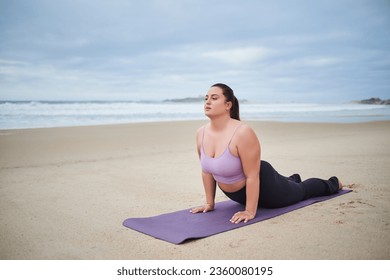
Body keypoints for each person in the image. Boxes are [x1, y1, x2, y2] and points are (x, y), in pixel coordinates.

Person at [190, 83, 342, 224]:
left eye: (214, 98)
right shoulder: (200, 133)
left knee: (302, 191)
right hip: (239, 193)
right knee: (290, 183)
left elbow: (252, 176)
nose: (207, 102)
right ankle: (291, 179)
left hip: (266, 187)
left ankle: (333, 183)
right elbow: (207, 172)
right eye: (206, 98)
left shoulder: (242, 132)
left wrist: (250, 211)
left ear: (228, 105)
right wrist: (210, 203)